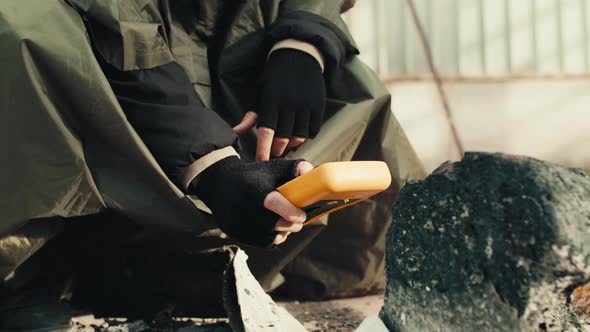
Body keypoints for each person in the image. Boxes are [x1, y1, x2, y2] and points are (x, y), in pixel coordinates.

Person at [0, 0, 426, 327]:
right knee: (26, 23)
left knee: (338, 72)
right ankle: (34, 275)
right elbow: (120, 26)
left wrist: (304, 44)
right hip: (118, 54)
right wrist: (208, 162)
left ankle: (204, 269)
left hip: (218, 57)